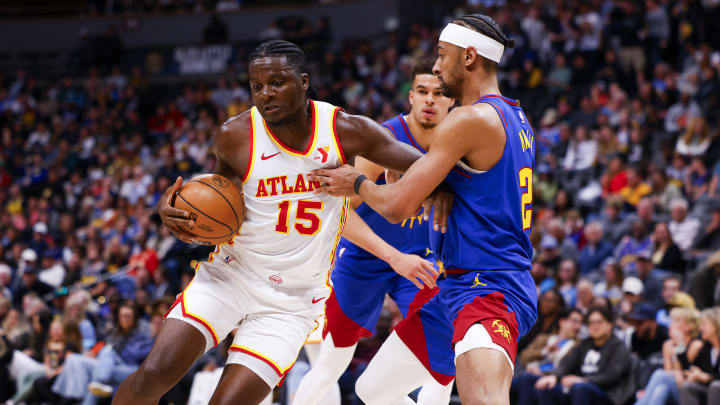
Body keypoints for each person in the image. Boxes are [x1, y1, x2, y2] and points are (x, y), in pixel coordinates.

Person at [113, 40, 449, 405]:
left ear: (303, 82)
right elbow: (216, 207)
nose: (265, 94)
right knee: (152, 376)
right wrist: (176, 214)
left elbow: (425, 169)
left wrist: (378, 184)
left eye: (277, 83)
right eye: (256, 86)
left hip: (292, 303)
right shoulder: (234, 136)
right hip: (231, 277)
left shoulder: (345, 130)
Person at [311, 14, 537, 404]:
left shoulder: (466, 119)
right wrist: (441, 187)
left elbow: (397, 207)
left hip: (488, 290)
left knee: (483, 399)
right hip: (454, 288)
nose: (435, 65)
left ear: (468, 57)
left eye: (441, 54)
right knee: (372, 389)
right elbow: (482, 185)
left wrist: (357, 183)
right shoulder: (515, 116)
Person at [291, 59, 455, 405]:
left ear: (451, 99)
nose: (430, 100)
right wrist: (394, 257)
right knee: (330, 364)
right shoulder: (388, 138)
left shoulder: (456, 142)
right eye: (422, 92)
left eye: (439, 93)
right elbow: (340, 211)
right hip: (365, 257)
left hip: (421, 259)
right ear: (410, 96)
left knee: (441, 362)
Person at [534, 307, 634, 405]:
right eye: (591, 323)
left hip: (606, 393)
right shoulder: (584, 344)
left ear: (610, 324)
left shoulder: (618, 347)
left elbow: (612, 376)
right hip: (578, 389)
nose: (594, 326)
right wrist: (554, 376)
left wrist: (583, 380)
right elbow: (566, 363)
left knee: (580, 388)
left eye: (598, 322)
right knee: (546, 387)